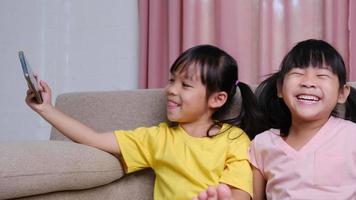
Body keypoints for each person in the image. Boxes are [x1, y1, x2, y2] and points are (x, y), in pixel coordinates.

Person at [26, 44, 266, 199]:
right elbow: (95, 139)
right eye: (172, 80)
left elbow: (241, 193)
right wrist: (47, 109)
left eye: (185, 85)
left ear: (218, 98)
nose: (171, 90)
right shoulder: (158, 138)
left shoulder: (234, 139)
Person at [194, 39, 356, 200]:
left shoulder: (351, 135)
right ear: (280, 88)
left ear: (342, 93)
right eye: (297, 73)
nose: (308, 82)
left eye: (322, 75)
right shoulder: (263, 144)